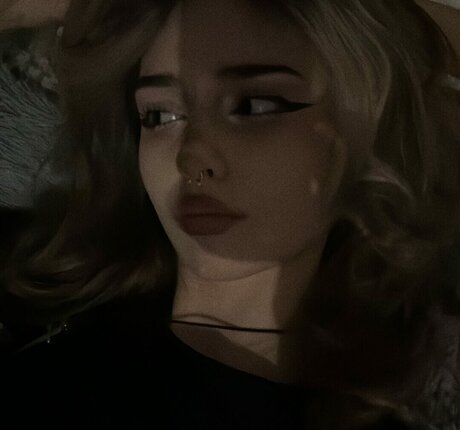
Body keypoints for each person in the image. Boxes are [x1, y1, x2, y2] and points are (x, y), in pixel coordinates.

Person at [1, 0, 460, 428]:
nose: (190, 157)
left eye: (253, 106)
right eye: (160, 116)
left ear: (365, 132)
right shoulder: (51, 266)